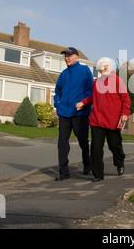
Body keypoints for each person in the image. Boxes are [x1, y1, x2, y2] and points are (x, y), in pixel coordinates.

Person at [76, 57, 130, 182]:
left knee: (114, 146)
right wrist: (83, 103)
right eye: (103, 66)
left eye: (107, 65)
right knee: (95, 148)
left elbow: (125, 99)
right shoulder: (96, 82)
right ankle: (98, 174)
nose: (105, 68)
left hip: (113, 121)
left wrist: (125, 113)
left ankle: (120, 161)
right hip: (97, 121)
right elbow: (92, 98)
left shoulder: (118, 81)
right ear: (99, 69)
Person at [54, 47, 94, 181]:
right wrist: (57, 102)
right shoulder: (63, 74)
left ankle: (87, 162)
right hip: (64, 112)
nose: (66, 58)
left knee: (82, 140)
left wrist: (83, 103)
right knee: (62, 142)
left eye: (69, 56)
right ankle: (64, 172)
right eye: (65, 56)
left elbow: (90, 91)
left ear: (76, 57)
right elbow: (57, 91)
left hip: (80, 112)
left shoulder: (85, 70)